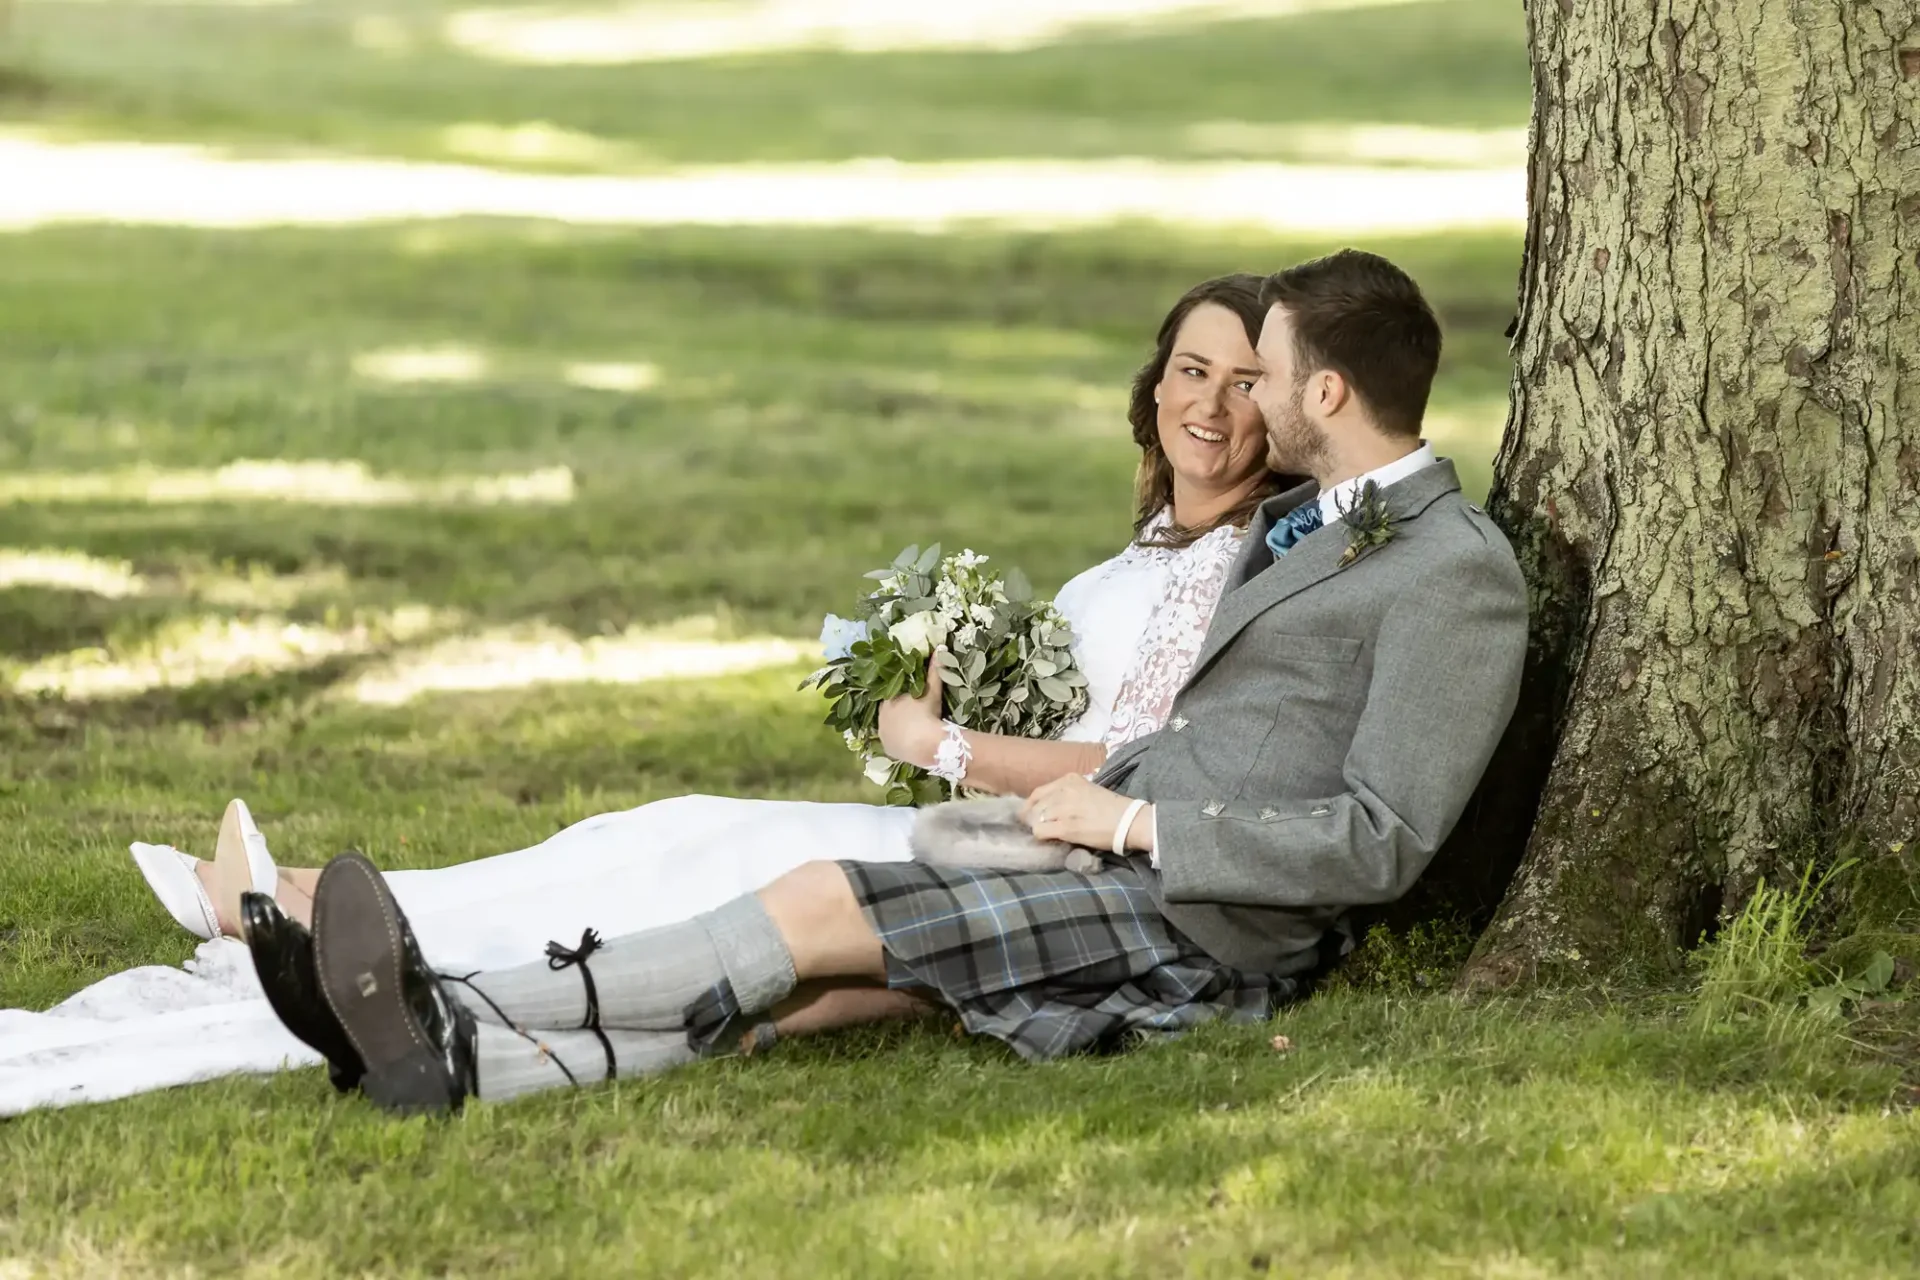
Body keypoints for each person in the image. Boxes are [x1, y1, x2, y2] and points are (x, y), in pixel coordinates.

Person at [250, 248, 1532, 1113]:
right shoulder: (1312, 518)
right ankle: (445, 1050)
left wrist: (1132, 817)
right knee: (820, 983)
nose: (1238, 391)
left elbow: (1381, 839)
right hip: (1106, 851)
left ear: (1323, 388)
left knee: (817, 905)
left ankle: (440, 1010)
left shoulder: (1451, 572)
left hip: (1202, 912)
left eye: (1261, 370)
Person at [2, 273, 1290, 1116]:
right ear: (1154, 386)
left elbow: (1129, 759)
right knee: (657, 826)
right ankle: (320, 912)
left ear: (1284, 415)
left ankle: (329, 931)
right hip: (968, 823)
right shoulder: (1151, 555)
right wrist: (944, 702)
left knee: (688, 857)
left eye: (1244, 383)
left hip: (1011, 856)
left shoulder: (1231, 573)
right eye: (1190, 368)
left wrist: (942, 740)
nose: (1210, 404)